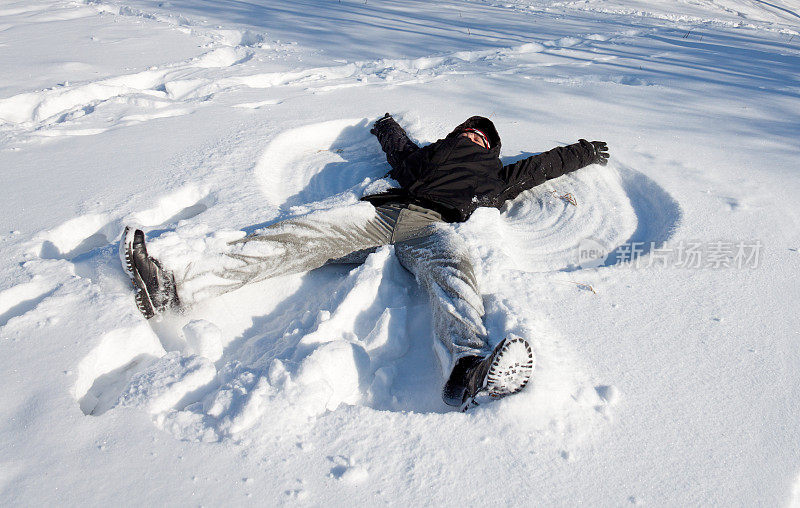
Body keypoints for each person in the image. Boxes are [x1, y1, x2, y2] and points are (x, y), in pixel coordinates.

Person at [121, 114, 609, 410]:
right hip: (384, 214)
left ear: (491, 147)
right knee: (301, 235)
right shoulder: (430, 157)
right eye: (467, 130)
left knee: (454, 275)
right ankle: (176, 285)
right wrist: (386, 127)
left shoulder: (497, 174)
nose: (472, 137)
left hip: (436, 229)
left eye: (481, 136)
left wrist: (584, 152)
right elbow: (401, 152)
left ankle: (466, 369)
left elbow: (543, 165)